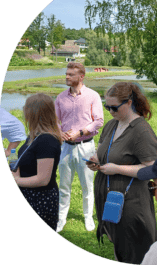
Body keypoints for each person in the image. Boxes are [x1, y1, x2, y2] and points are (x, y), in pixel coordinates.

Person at [86, 82, 157, 265]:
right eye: (107, 107)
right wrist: (95, 160)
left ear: (129, 103)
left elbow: (152, 169)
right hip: (111, 199)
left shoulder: (141, 131)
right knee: (120, 247)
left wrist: (118, 169)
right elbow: (103, 151)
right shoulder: (112, 125)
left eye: (114, 107)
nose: (110, 111)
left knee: (135, 251)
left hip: (131, 203)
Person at [55, 62, 104, 233]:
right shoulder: (61, 97)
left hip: (86, 146)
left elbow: (98, 121)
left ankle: (88, 217)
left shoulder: (93, 96)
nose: (66, 77)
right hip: (66, 148)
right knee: (64, 185)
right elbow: (55, 120)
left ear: (81, 76)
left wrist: (81, 132)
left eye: (71, 74)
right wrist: (60, 133)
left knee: (87, 185)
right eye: (66, 74)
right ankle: (61, 219)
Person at [11, 93, 62, 231]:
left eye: (25, 108)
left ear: (33, 113)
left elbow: (42, 179)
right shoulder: (34, 136)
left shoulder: (47, 140)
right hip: (29, 195)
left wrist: (16, 180)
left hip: (40, 199)